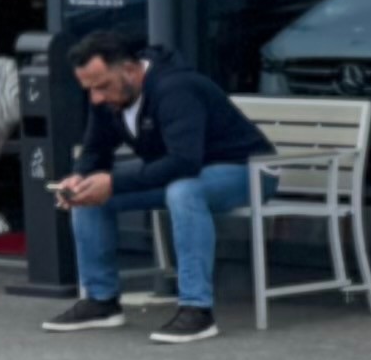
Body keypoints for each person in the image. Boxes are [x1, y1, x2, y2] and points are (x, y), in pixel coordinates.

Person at [41, 25, 269, 342]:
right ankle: (101, 301)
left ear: (131, 70)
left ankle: (197, 310)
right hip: (182, 170)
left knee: (183, 189)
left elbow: (183, 161)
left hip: (246, 170)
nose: (96, 97)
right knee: (89, 194)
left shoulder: (176, 88)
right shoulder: (108, 97)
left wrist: (113, 181)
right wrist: (80, 176)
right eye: (89, 89)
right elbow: (95, 149)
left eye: (103, 86)